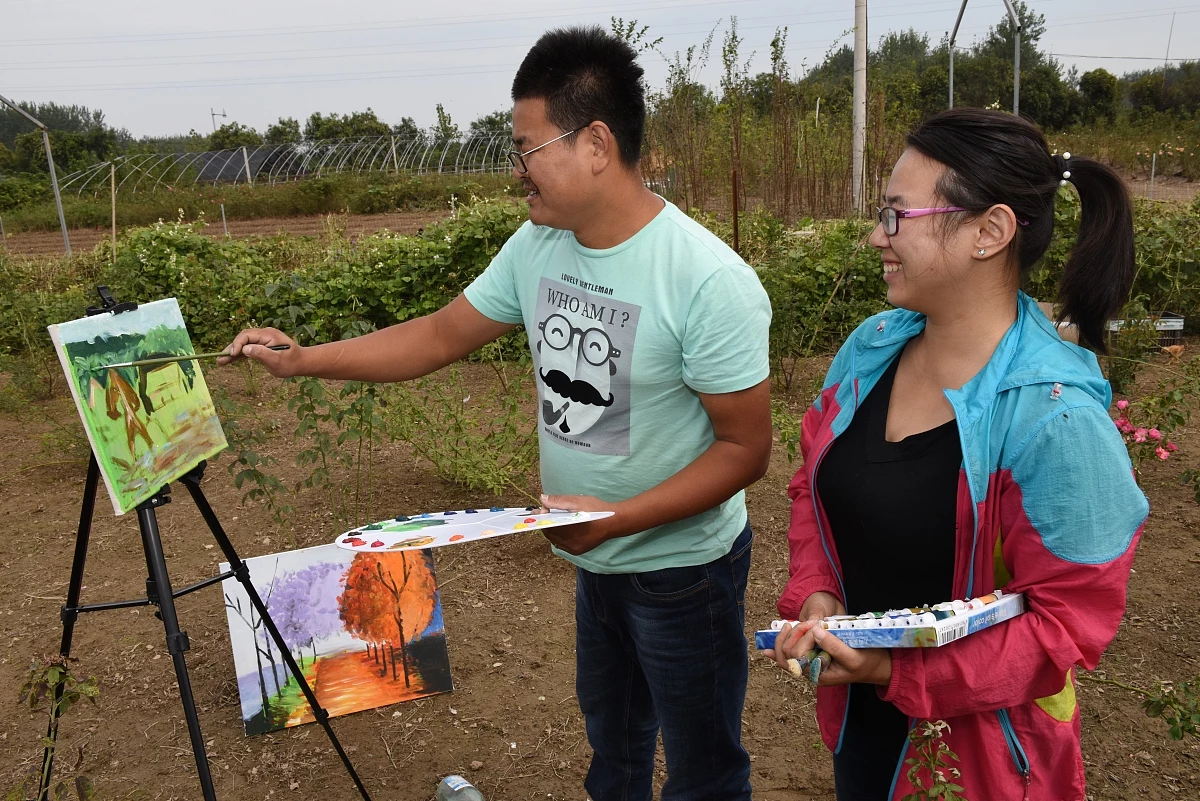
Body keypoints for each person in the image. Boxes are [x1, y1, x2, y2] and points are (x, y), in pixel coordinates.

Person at [222, 27, 772, 801]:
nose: (517, 171)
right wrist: (305, 357)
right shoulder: (538, 246)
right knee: (613, 754)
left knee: (704, 773)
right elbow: (439, 335)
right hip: (594, 561)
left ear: (596, 143)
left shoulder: (708, 279)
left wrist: (617, 519)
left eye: (526, 147)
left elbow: (745, 450)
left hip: (683, 574)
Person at [765, 108, 1148, 801]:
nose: (875, 235)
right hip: (862, 727)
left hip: (983, 760)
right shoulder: (872, 348)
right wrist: (818, 591)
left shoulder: (1055, 418)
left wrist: (894, 671)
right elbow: (811, 489)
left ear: (989, 231)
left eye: (895, 216)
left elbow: (1065, 623)